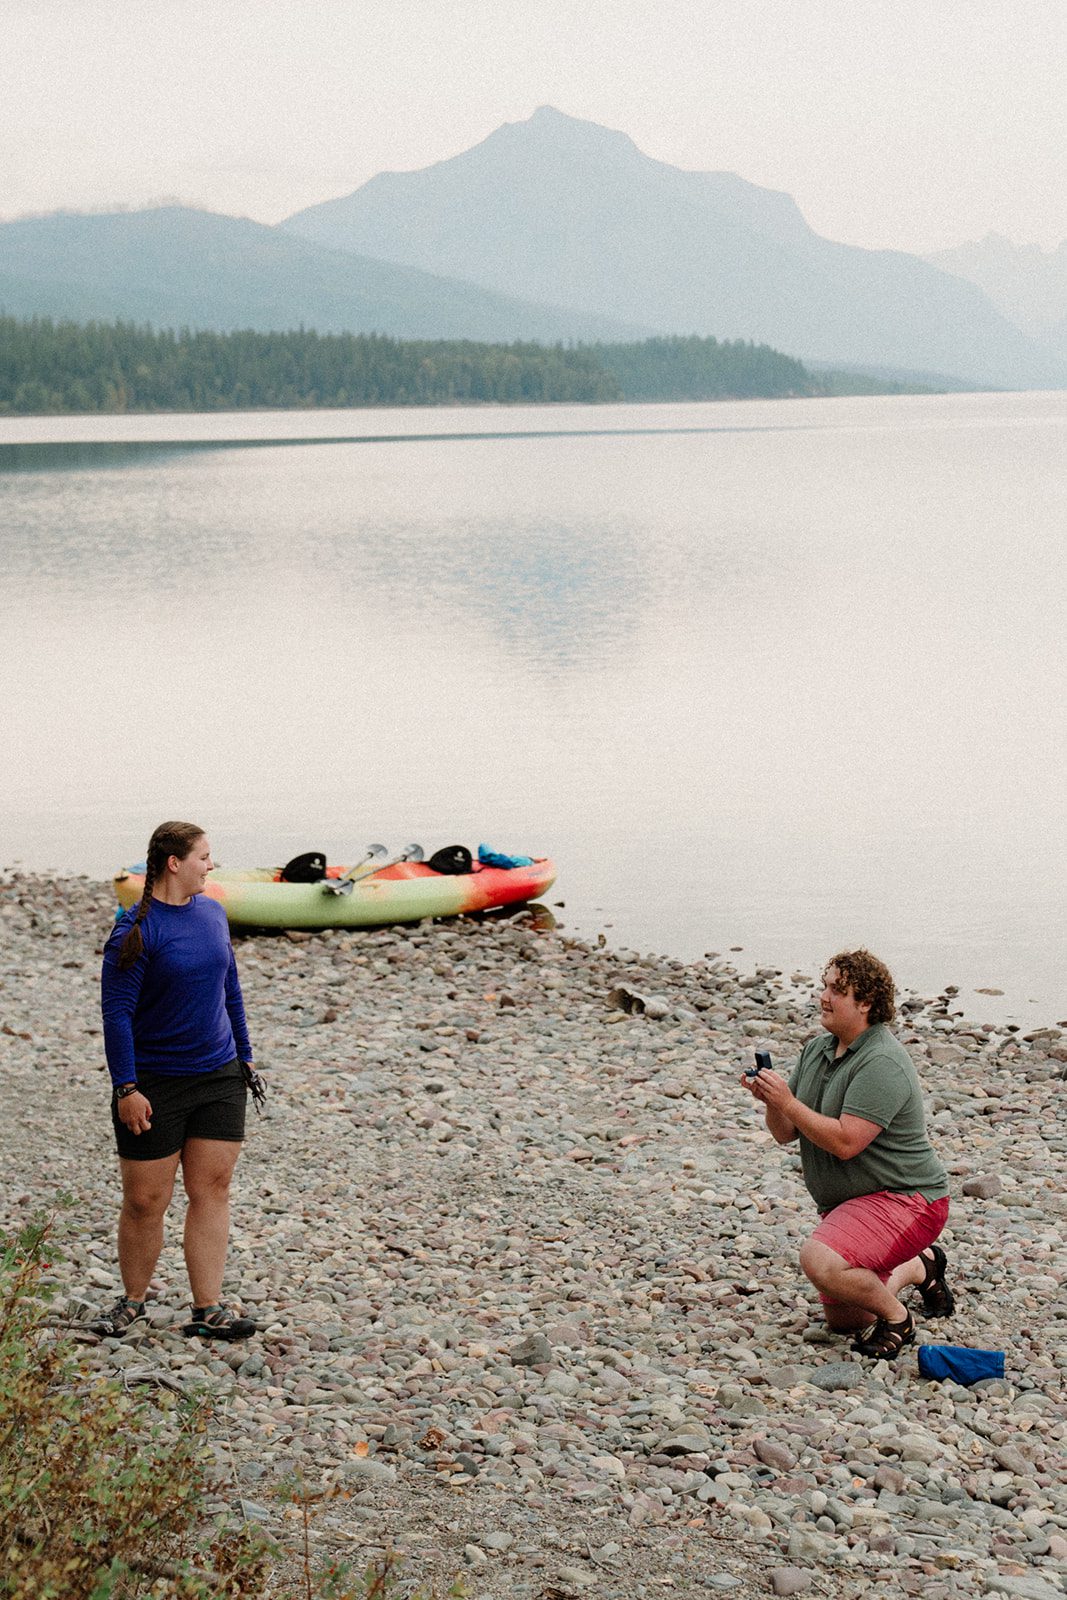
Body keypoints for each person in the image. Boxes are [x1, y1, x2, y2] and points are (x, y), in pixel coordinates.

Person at [742, 949, 954, 1358]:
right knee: (846, 1320)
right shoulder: (819, 1049)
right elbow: (785, 1132)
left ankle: (898, 1320)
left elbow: (845, 1142)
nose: (823, 996)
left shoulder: (882, 1062)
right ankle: (918, 1267)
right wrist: (771, 1099)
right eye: (824, 986)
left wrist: (788, 1102)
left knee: (819, 1260)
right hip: (854, 1202)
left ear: (866, 1003)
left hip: (908, 1199)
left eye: (837, 990)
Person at [94, 821, 259, 1341]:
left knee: (212, 1189)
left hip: (218, 1075)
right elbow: (116, 1014)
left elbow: (229, 986)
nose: (211, 865)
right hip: (154, 1084)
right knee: (146, 1200)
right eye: (205, 856)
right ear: (174, 863)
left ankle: (207, 1307)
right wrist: (126, 1087)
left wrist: (246, 1058)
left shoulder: (212, 914)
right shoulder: (135, 930)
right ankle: (132, 1301)